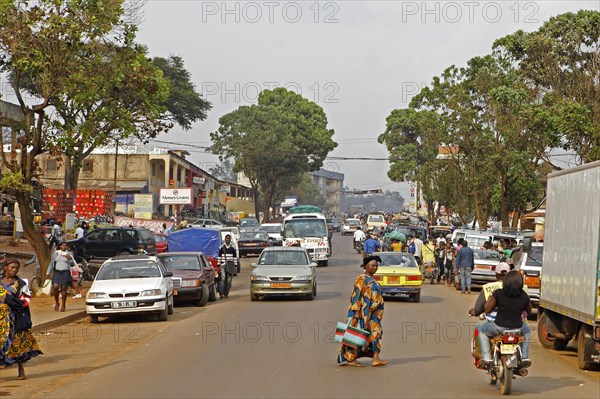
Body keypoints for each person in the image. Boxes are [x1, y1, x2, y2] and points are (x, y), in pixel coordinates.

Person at [337, 255, 388, 367]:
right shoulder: (362, 279)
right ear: (366, 266)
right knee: (355, 334)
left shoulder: (372, 280)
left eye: (376, 266)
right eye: (372, 265)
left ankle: (375, 358)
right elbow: (356, 295)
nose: (375, 268)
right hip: (362, 313)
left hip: (372, 314)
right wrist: (356, 312)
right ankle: (351, 359)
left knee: (375, 333)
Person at [477, 270, 532, 369]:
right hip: (518, 329)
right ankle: (525, 358)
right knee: (527, 331)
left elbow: (487, 310)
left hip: (499, 327)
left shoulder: (498, 293)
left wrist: (491, 298)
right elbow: (529, 311)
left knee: (481, 330)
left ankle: (487, 359)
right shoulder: (524, 296)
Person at [0, 258, 43, 380]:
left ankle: (21, 369)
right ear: (5, 268)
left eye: (16, 268)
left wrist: (9, 300)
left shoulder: (21, 285)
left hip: (13, 319)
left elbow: (25, 302)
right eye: (12, 267)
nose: (14, 270)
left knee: (16, 344)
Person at [45, 241, 76, 312]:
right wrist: (47, 273)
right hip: (57, 272)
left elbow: (72, 264)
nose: (64, 247)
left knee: (64, 288)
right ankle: (57, 302)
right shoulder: (56, 253)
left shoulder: (69, 254)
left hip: (65, 272)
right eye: (63, 245)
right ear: (60, 246)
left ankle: (63, 305)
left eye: (65, 245)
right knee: (55, 286)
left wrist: (70, 259)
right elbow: (51, 263)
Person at [218, 234, 237, 298]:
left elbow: (235, 258)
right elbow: (219, 257)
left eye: (229, 238)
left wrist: (235, 266)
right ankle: (221, 293)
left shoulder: (233, 248)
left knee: (229, 281)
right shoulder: (221, 247)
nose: (228, 240)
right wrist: (219, 265)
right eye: (227, 238)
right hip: (223, 265)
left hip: (230, 266)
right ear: (225, 239)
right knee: (222, 279)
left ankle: (226, 292)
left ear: (230, 239)